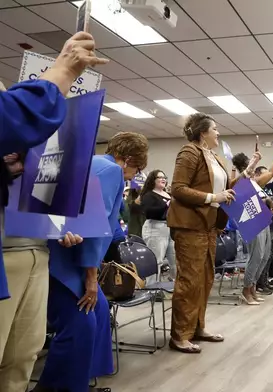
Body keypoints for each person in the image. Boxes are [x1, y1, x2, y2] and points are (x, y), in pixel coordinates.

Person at [0, 31, 108, 392]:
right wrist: (63, 69)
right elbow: (14, 117)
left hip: (37, 253)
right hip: (7, 253)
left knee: (23, 356)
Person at [35, 132, 148, 392]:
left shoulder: (92, 163)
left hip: (62, 249)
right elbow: (95, 225)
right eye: (138, 168)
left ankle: (79, 381)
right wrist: (91, 278)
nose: (135, 174)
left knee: (98, 311)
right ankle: (56, 387)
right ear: (129, 158)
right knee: (82, 320)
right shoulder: (111, 171)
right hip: (69, 260)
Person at [166, 113, 240, 353]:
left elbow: (223, 188)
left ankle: (197, 327)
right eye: (215, 129)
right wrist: (212, 198)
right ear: (202, 133)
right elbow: (178, 188)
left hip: (208, 226)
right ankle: (180, 336)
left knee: (206, 279)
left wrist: (232, 189)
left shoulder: (215, 157)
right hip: (189, 225)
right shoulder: (189, 152)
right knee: (189, 281)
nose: (218, 133)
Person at [231, 149, 273, 303]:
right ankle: (246, 290)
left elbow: (272, 172)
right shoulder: (241, 182)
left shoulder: (254, 183)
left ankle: (253, 287)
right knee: (256, 256)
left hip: (263, 219)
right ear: (245, 165)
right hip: (251, 221)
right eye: (250, 161)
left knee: (264, 255)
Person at [140, 169, 176, 284]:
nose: (163, 179)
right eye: (160, 177)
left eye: (164, 177)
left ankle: (174, 284)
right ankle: (152, 288)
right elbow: (149, 212)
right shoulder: (148, 195)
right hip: (155, 228)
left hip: (170, 228)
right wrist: (167, 204)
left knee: (175, 259)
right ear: (153, 180)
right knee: (156, 260)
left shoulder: (168, 194)